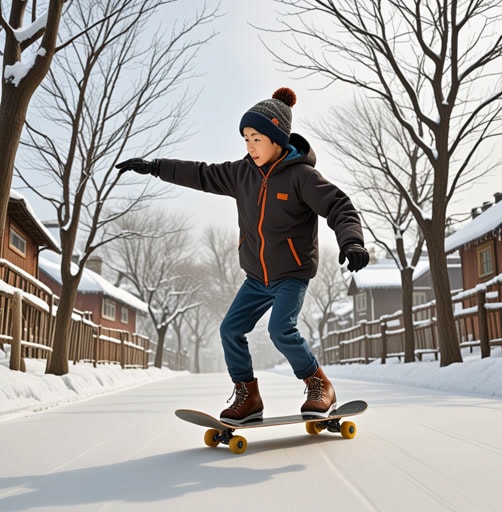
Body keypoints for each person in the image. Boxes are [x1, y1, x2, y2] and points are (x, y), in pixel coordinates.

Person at [116, 87, 369, 423]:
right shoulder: (241, 173)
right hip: (256, 277)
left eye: (257, 139)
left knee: (281, 329)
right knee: (230, 329)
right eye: (246, 139)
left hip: (291, 274)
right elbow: (201, 173)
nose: (250, 147)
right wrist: (155, 167)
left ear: (278, 139)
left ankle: (319, 384)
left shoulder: (302, 177)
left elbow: (339, 205)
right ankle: (248, 395)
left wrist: (351, 242)